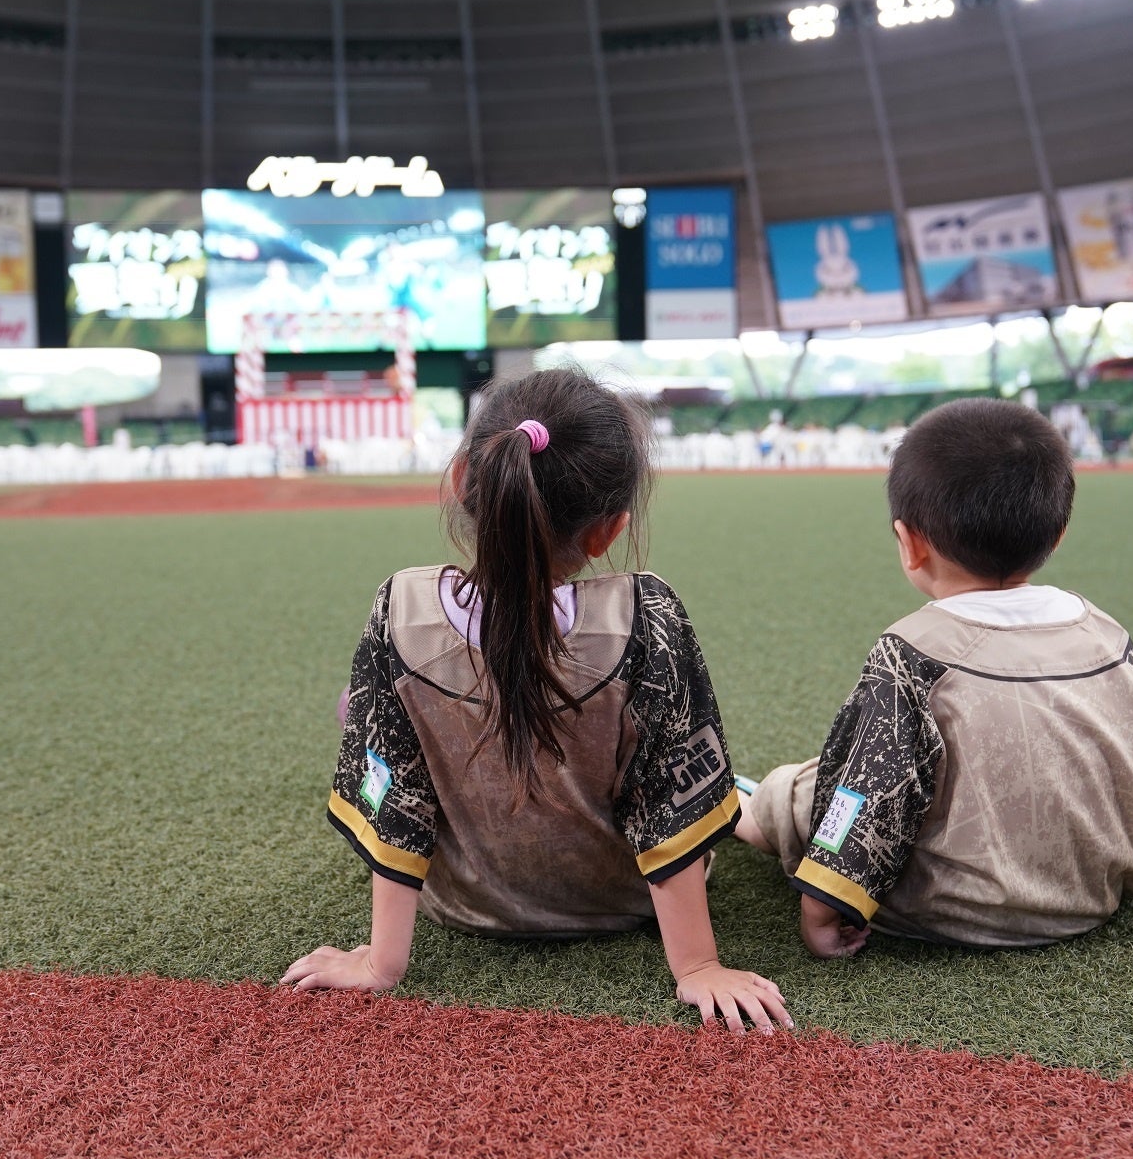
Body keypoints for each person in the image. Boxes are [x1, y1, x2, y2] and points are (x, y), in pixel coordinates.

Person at [282, 368, 788, 1034]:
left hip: (465, 908)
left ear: (465, 480)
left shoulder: (398, 610)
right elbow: (670, 801)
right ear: (610, 531)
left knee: (373, 712)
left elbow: (395, 800)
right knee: (718, 784)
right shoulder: (648, 616)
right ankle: (752, 800)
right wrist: (697, 967)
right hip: (620, 902)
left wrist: (381, 963)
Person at [735, 398, 1133, 956]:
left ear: (910, 542)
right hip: (1092, 897)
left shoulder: (912, 652)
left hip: (949, 909)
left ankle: (743, 814)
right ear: (1059, 533)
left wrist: (822, 911)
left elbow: (867, 790)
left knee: (810, 787)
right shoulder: (1106, 635)